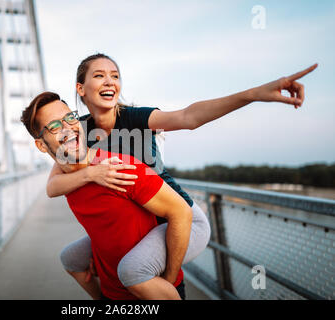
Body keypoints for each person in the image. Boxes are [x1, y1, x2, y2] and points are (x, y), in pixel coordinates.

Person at [46, 53, 317, 297]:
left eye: (115, 76)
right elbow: (53, 185)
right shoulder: (76, 130)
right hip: (142, 223)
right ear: (80, 88)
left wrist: (254, 94)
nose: (109, 81)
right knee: (72, 259)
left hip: (179, 218)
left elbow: (189, 117)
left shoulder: (135, 118)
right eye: (99, 75)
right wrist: (92, 176)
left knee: (138, 273)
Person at [20, 92, 194, 300]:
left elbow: (182, 211)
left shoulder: (121, 167)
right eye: (55, 126)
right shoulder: (68, 179)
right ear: (41, 145)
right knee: (68, 258)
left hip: (153, 291)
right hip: (111, 291)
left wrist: (169, 279)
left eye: (70, 118)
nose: (68, 127)